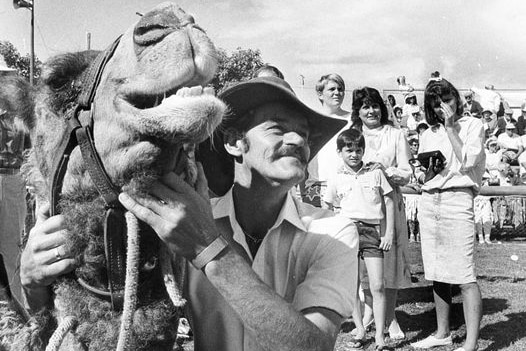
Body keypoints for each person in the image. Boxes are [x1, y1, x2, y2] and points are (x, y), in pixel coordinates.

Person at [20, 76, 359, 351]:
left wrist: (209, 248)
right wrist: (35, 282)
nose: (298, 139)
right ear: (233, 143)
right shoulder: (181, 222)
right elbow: (107, 320)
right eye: (277, 127)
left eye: (305, 133)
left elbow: (312, 347)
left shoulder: (334, 232)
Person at [410, 76, 484, 351]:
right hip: (430, 200)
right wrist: (422, 175)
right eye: (437, 104)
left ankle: (471, 343)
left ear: (456, 99)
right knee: (436, 271)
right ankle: (442, 333)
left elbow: (468, 161)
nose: (443, 108)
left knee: (464, 274)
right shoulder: (428, 131)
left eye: (447, 100)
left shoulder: (472, 125)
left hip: (457, 199)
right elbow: (430, 170)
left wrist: (451, 127)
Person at [323, 129, 394, 351]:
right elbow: (327, 204)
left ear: (363, 150)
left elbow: (389, 200)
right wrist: (332, 228)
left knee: (377, 285)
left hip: (373, 231)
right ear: (340, 152)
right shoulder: (336, 176)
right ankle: (361, 329)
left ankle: (380, 336)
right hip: (347, 232)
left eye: (358, 150)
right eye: (349, 150)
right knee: (352, 284)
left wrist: (388, 232)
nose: (354, 154)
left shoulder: (374, 172)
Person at [350, 87, 412, 341]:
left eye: (374, 105)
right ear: (358, 111)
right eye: (365, 106)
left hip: (389, 205)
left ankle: (390, 317)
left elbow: (407, 172)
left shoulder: (395, 135)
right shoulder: (352, 135)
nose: (371, 111)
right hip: (361, 207)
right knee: (365, 260)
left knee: (390, 259)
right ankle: (367, 314)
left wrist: (384, 170)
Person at [303, 73, 351, 207]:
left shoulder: (353, 120)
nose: (337, 93)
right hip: (316, 186)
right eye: (332, 89)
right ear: (320, 94)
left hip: (346, 184)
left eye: (340, 89)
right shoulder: (311, 120)